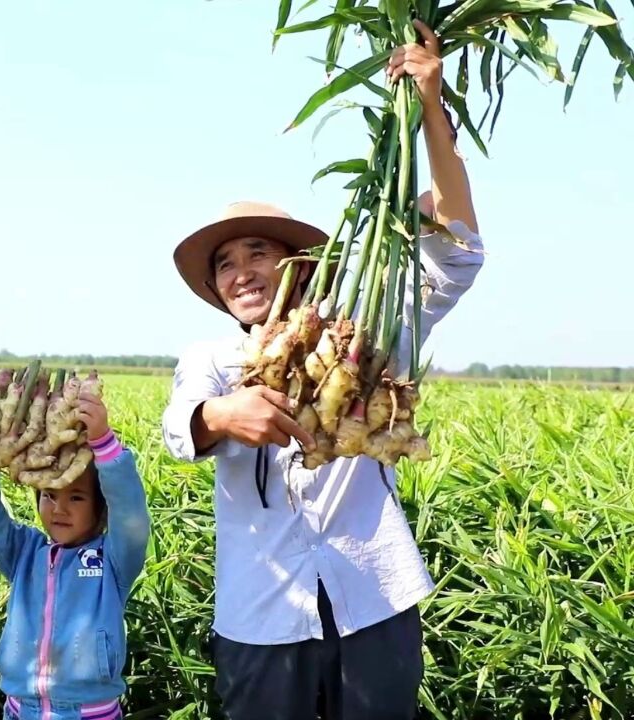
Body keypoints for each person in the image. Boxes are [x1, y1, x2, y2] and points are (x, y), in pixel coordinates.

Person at [160, 20, 484, 720]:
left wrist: (431, 112)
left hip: (374, 599)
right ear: (215, 289)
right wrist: (221, 415)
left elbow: (456, 247)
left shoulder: (362, 331)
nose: (242, 271)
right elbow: (179, 428)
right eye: (225, 263)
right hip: (260, 615)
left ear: (297, 265)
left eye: (256, 253)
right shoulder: (212, 360)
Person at [0, 380, 151, 720]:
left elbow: (131, 518)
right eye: (49, 495)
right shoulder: (24, 553)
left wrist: (105, 446)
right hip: (20, 710)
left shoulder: (113, 560)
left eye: (76, 497)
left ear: (101, 507)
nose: (59, 509)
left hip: (89, 713)